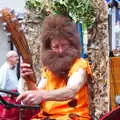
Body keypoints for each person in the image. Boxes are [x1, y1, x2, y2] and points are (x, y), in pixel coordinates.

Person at [17, 14, 92, 120]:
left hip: (73, 117)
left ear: (71, 44)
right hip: (46, 117)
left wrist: (43, 95)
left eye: (64, 45)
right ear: (49, 48)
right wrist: (28, 79)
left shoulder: (80, 65)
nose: (60, 51)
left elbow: (71, 91)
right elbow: (38, 94)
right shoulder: (48, 69)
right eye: (56, 47)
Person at [0, 50, 19, 119]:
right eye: (16, 56)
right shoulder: (4, 69)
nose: (18, 58)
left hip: (13, 97)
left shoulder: (13, 68)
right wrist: (6, 100)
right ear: (10, 58)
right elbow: (1, 87)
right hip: (8, 99)